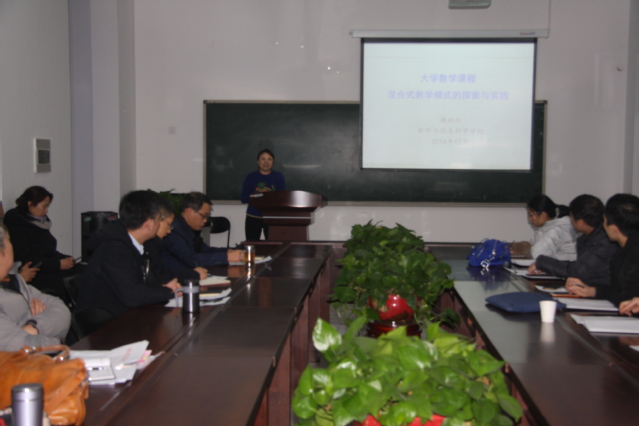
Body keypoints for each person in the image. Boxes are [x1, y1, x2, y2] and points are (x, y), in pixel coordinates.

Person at [75, 191, 182, 317]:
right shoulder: (114, 249)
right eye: (159, 219)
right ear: (149, 224)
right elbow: (133, 296)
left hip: (125, 317)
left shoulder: (131, 244)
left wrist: (162, 288)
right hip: (105, 325)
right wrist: (168, 291)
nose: (159, 225)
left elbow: (138, 286)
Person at [4, 186, 83, 303]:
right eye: (44, 206)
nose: (46, 211)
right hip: (35, 273)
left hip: (46, 267)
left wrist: (64, 258)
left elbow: (48, 251)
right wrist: (58, 264)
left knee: (83, 270)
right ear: (30, 204)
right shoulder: (16, 225)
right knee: (70, 280)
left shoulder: (39, 222)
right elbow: (25, 259)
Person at [0, 224, 71, 351]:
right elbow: (17, 347)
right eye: (9, 240)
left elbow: (61, 310)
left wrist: (35, 326)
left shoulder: (14, 280)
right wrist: (58, 343)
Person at [566, 194, 639, 305]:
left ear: (613, 229)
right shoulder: (623, 250)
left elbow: (627, 298)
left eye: (604, 221)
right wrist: (592, 291)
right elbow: (616, 290)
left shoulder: (633, 254)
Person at [527, 194, 618, 284]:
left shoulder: (603, 243)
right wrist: (544, 266)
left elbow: (577, 272)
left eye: (571, 217)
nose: (570, 220)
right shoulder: (588, 238)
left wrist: (542, 263)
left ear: (580, 222)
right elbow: (577, 266)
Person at [162, 192, 243, 270]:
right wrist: (227, 256)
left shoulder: (187, 228)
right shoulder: (174, 231)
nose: (205, 220)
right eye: (203, 216)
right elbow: (192, 260)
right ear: (189, 211)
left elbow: (205, 250)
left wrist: (230, 251)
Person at [143, 197, 208, 286]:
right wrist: (193, 274)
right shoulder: (149, 244)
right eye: (169, 225)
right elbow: (161, 275)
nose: (169, 231)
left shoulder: (154, 243)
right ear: (157, 220)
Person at [510, 194, 577, 260]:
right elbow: (538, 245)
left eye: (531, 215)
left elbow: (535, 254)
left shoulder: (558, 229)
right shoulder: (548, 226)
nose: (529, 218)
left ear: (543, 214)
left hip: (566, 265)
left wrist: (525, 250)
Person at [241, 149, 286, 241]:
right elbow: (244, 198)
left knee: (273, 246)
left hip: (272, 217)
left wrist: (268, 194)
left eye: (269, 159)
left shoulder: (278, 177)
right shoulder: (251, 177)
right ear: (258, 161)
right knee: (251, 245)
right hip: (253, 217)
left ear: (273, 162)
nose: (266, 162)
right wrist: (259, 195)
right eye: (263, 159)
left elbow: (281, 198)